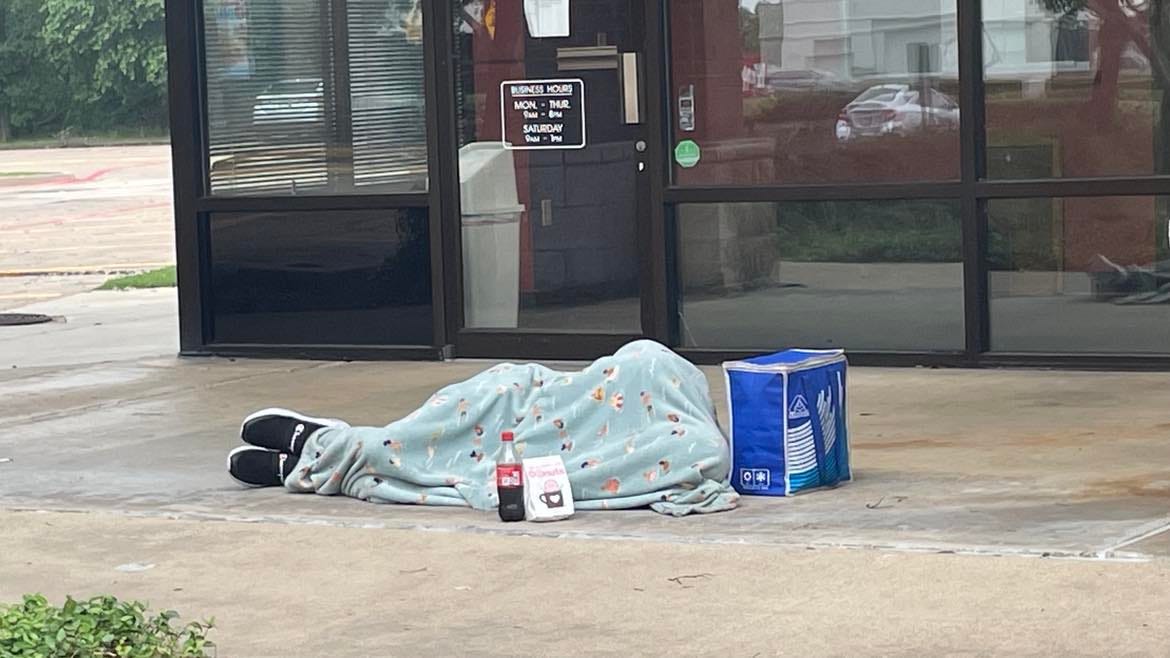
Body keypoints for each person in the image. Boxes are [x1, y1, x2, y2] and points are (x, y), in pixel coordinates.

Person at [226, 340, 738, 516]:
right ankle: (332, 445)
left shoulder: (694, 442)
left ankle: (318, 453)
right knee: (440, 427)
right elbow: (591, 384)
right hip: (529, 399)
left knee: (439, 469)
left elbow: (613, 469)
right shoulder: (650, 365)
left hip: (547, 445)